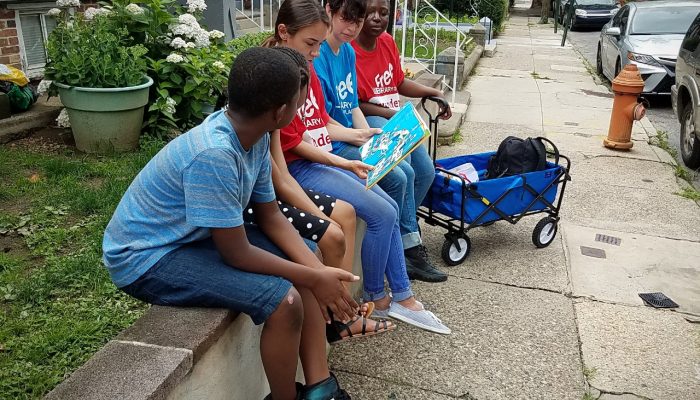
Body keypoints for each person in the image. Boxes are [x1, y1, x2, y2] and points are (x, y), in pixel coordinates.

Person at [102, 48, 356, 400]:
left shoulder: (253, 136)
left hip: (189, 236)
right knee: (285, 301)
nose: (300, 108)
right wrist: (314, 276)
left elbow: (270, 215)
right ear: (280, 112)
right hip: (145, 257)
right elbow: (236, 253)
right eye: (298, 102)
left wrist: (318, 272)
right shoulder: (216, 154)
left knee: (307, 254)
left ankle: (319, 388)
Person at [265, 0, 450, 335]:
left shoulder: (304, 67)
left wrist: (361, 134)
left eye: (319, 45)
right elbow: (290, 147)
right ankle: (380, 297)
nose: (317, 53)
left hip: (318, 158)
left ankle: (394, 295)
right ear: (284, 32)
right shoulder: (280, 75)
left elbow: (321, 123)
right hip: (305, 167)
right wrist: (344, 159)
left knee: (390, 205)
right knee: (383, 211)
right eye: (312, 44)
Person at [245, 46, 395, 343]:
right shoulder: (263, 123)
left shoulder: (273, 120)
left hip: (275, 193)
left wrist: (346, 164)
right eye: (297, 109)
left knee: (345, 215)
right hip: (256, 205)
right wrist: (320, 218)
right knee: (332, 233)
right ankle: (338, 315)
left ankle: (343, 313)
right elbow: (275, 189)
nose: (300, 118)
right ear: (282, 107)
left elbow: (282, 180)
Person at [314, 0, 447, 283]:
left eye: (357, 21)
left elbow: (351, 107)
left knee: (418, 171)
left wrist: (370, 137)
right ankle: (402, 255)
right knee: (400, 177)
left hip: (357, 131)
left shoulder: (347, 51)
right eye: (347, 19)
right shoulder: (319, 55)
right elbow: (322, 120)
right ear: (329, 11)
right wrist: (362, 135)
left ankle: (403, 243)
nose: (352, 27)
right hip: (335, 142)